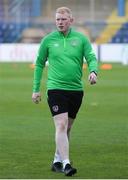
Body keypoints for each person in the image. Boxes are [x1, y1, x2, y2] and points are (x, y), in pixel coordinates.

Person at [32, 7, 98, 176]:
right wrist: (36, 90)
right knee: (60, 125)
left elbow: (91, 57)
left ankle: (56, 160)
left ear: (71, 20)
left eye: (63, 19)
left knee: (66, 128)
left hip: (76, 90)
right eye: (57, 19)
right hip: (55, 89)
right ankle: (66, 163)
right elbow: (39, 64)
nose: (60, 22)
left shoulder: (81, 39)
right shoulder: (48, 40)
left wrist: (93, 71)